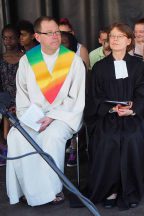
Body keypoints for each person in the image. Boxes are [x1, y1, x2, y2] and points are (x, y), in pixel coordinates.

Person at [6, 16, 86, 206]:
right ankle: (27, 189)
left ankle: (52, 191)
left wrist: (52, 116)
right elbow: (22, 95)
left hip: (63, 116)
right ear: (37, 36)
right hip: (33, 115)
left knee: (52, 137)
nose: (55, 36)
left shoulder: (72, 61)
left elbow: (76, 98)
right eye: (49, 33)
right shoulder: (27, 61)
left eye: (57, 32)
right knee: (17, 136)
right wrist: (30, 118)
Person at [85, 23, 144, 210]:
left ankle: (129, 190)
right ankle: (110, 189)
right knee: (108, 139)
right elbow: (94, 96)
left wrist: (133, 109)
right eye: (112, 36)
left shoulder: (138, 65)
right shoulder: (99, 67)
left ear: (128, 40)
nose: (115, 39)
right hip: (108, 115)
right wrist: (111, 108)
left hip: (133, 115)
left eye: (120, 36)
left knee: (132, 138)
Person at [0, 24, 23, 166]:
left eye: (11, 38)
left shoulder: (25, 58)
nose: (8, 42)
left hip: (21, 99)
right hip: (3, 98)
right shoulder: (0, 58)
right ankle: (3, 147)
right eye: (5, 38)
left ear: (18, 38)